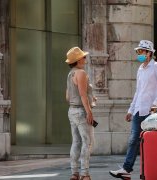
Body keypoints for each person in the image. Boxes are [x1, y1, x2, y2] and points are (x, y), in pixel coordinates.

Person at [109, 40, 157, 179]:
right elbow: (138, 91)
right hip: (138, 110)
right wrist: (131, 109)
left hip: (152, 111)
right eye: (139, 51)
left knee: (151, 143)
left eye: (142, 51)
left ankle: (155, 170)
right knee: (133, 140)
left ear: (149, 53)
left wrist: (156, 104)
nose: (139, 54)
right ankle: (126, 170)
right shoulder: (140, 69)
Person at [65, 47, 97, 180]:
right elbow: (83, 95)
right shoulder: (81, 73)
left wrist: (90, 98)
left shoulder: (70, 74)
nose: (85, 58)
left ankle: (74, 173)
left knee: (76, 142)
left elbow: (67, 96)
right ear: (78, 60)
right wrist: (89, 111)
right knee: (87, 142)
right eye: (83, 57)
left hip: (72, 110)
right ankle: (85, 174)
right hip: (81, 110)